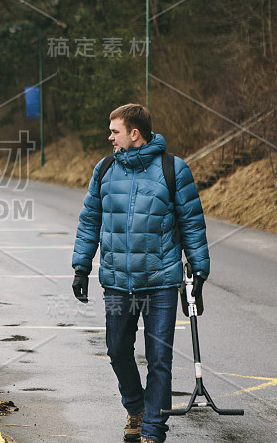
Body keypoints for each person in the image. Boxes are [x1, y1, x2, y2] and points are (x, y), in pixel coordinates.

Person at [71, 104, 210, 443]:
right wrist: (81, 265)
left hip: (161, 282)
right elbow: (90, 220)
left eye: (114, 130)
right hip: (118, 283)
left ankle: (152, 430)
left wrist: (199, 270)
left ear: (134, 133)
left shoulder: (173, 169)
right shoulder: (104, 170)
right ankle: (136, 406)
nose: (110, 136)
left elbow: (192, 223)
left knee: (159, 358)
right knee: (118, 350)